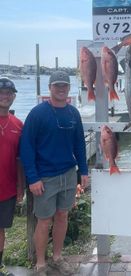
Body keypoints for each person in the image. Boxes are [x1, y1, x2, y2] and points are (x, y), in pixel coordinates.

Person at [20, 71, 88, 276]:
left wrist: (83, 171)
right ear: (49, 88)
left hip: (68, 173)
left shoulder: (73, 113)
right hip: (45, 177)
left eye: (64, 86)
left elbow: (79, 145)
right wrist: (32, 178)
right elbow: (26, 148)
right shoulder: (37, 114)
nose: (61, 89)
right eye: (57, 85)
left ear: (69, 88)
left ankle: (57, 258)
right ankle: (40, 264)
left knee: (62, 216)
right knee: (44, 220)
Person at [0, 77, 24, 276]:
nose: (5, 96)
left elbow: (19, 159)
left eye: (8, 93)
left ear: (14, 97)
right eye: (1, 92)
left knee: (0, 230)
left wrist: (20, 187)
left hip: (7, 187)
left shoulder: (18, 124)